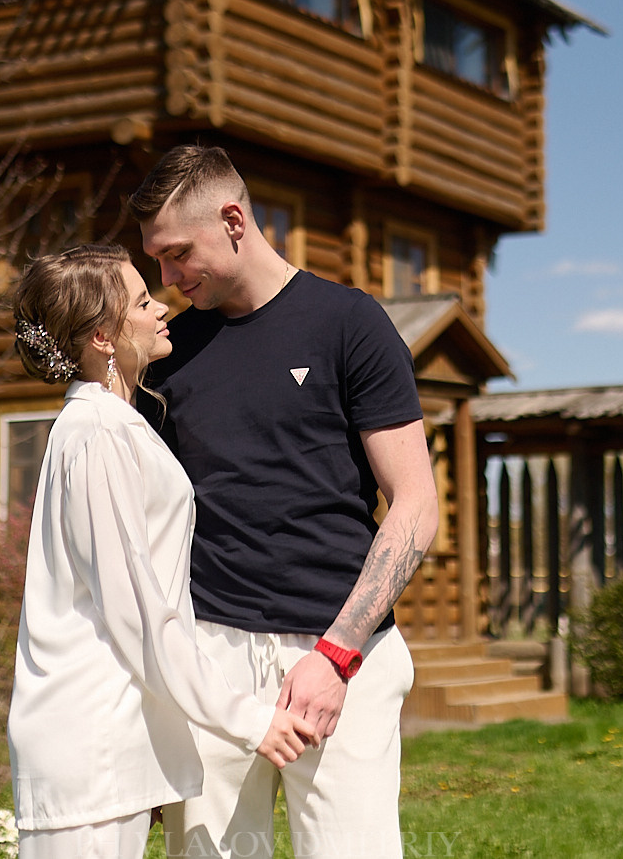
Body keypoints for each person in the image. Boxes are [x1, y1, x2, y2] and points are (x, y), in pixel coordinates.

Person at [129, 146, 440, 859]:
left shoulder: (348, 323)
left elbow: (416, 504)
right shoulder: (171, 353)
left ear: (233, 221)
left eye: (178, 254)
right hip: (210, 653)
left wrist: (336, 655)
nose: (168, 279)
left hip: (341, 649)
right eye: (156, 261)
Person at [5, 244, 317, 859]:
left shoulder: (115, 425)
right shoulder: (97, 434)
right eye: (143, 301)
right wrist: (248, 720)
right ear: (102, 336)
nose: (162, 309)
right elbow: (139, 613)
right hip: (89, 739)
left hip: (113, 739)